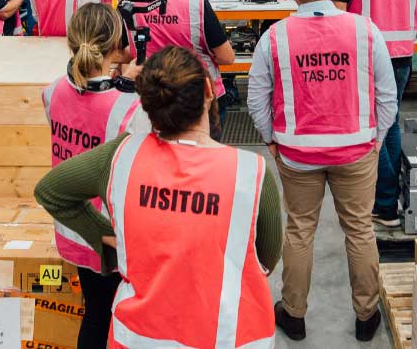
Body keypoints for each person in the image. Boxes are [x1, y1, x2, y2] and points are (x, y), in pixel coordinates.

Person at [36, 46, 283, 349]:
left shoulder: (121, 156)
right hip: (226, 337)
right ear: (208, 89)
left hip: (138, 338)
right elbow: (266, 258)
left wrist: (108, 237)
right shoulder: (251, 173)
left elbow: (51, 192)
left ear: (147, 104)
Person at [254, 0, 398, 342]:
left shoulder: (275, 36)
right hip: (356, 150)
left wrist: (271, 139)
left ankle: (295, 314)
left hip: (298, 154)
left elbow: (257, 99)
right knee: (360, 230)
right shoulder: (365, 30)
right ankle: (367, 317)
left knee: (300, 230)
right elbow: (388, 96)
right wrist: (375, 140)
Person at [42, 3, 148, 349]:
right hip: (111, 236)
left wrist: (120, 82)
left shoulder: (53, 90)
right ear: (116, 42)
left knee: (96, 312)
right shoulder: (131, 108)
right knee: (117, 318)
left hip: (72, 230)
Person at [331, 0, 417, 228]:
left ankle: (386, 205)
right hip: (402, 54)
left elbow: (339, 10)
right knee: (391, 120)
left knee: (377, 125)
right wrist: (406, 34)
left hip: (367, 55)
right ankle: (393, 197)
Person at [132, 0, 235, 133]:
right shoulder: (196, 3)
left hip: (154, 96)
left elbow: (129, 51)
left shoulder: (133, 5)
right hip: (200, 96)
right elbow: (226, 57)